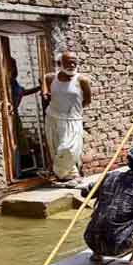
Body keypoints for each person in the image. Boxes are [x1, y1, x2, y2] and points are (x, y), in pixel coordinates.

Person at [43, 51, 91, 183]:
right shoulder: (51, 78)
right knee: (55, 149)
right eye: (68, 61)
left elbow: (87, 100)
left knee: (69, 149)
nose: (72, 64)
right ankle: (69, 176)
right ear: (60, 63)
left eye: (74, 61)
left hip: (73, 119)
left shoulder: (82, 80)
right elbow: (45, 79)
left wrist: (73, 110)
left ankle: (62, 174)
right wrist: (44, 91)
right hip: (53, 118)